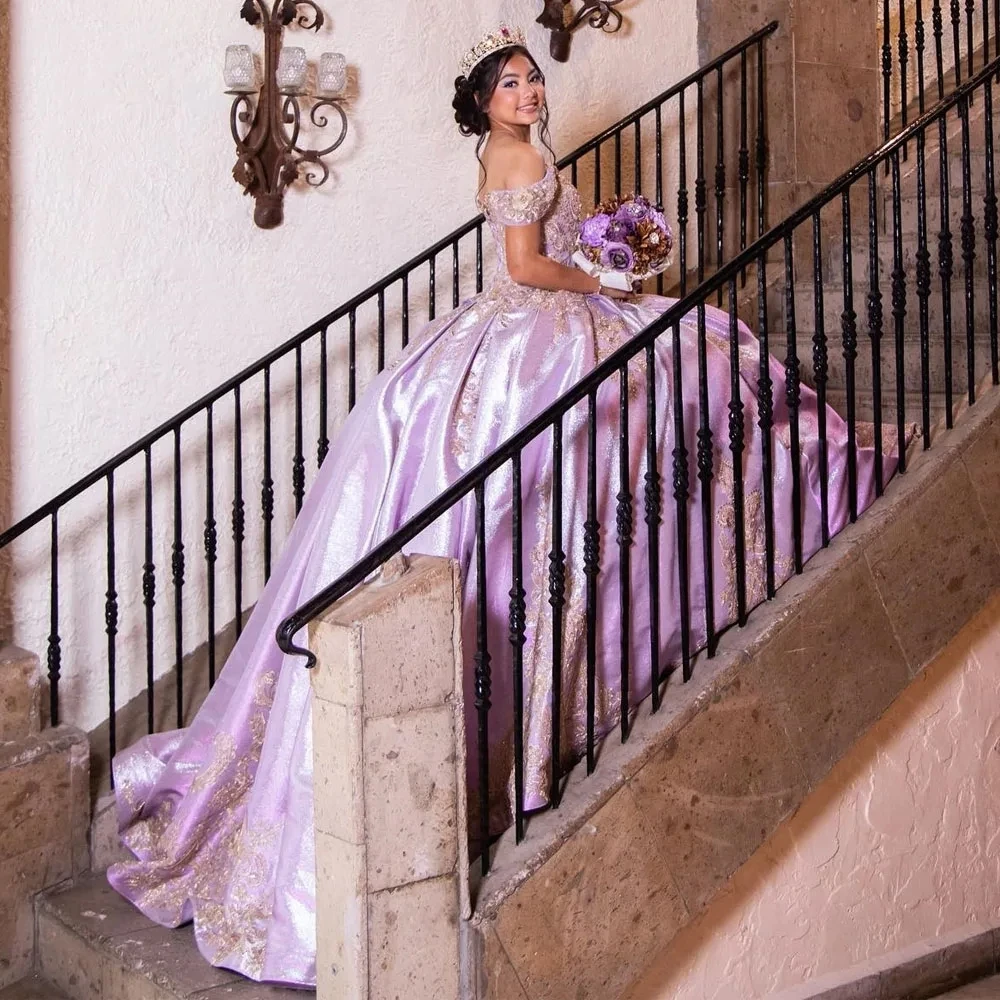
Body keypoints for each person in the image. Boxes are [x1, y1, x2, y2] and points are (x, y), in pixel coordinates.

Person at [107, 25, 898, 987]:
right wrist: (603, 277)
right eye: (509, 83)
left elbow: (541, 243)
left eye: (530, 78)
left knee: (685, 370)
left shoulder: (523, 149)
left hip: (533, 323)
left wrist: (606, 241)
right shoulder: (515, 153)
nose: (526, 92)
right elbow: (525, 268)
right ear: (482, 102)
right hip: (534, 325)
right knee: (648, 396)